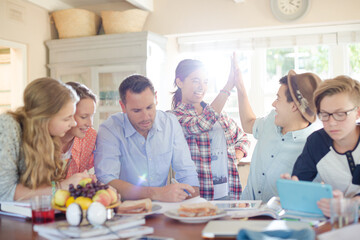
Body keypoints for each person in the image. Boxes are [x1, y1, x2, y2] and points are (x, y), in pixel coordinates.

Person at [94, 75, 200, 202]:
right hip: (125, 208)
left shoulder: (170, 123)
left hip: (163, 206)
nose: (146, 117)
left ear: (156, 98)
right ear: (123, 106)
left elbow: (187, 172)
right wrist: (156, 193)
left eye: (150, 107)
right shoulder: (110, 129)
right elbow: (107, 180)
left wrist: (194, 204)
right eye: (137, 111)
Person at [236, 65, 322, 202]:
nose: (273, 103)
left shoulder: (313, 147)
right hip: (246, 210)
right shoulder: (272, 119)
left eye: (278, 98)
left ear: (294, 106)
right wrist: (240, 86)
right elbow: (248, 124)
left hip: (278, 220)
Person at [170, 57, 250, 200]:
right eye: (195, 80)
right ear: (179, 82)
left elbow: (242, 138)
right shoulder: (173, 118)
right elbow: (201, 124)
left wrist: (235, 158)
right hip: (197, 197)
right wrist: (228, 86)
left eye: (205, 81)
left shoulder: (220, 115)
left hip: (230, 194)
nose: (201, 86)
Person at [0, 78, 90, 201]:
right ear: (45, 118)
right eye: (66, 118)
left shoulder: (48, 137)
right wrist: (62, 186)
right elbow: (5, 192)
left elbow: (41, 189)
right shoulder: (8, 126)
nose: (73, 123)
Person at [281, 76, 360, 216]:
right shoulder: (316, 142)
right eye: (324, 115)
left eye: (340, 114)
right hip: (336, 224)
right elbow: (300, 181)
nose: (332, 123)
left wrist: (351, 205)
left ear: (357, 113)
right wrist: (292, 188)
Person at [60, 82, 97, 178]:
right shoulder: (43, 140)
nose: (90, 124)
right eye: (84, 117)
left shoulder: (89, 136)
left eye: (91, 116)